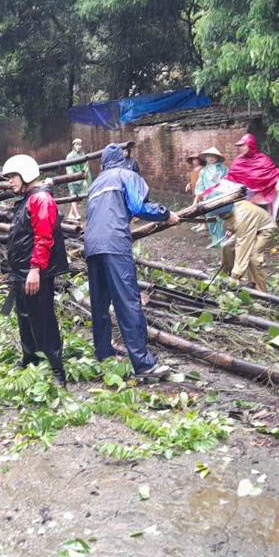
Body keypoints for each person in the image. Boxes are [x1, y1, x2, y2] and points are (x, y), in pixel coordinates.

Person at [84, 144, 179, 380]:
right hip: (115, 243)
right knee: (127, 301)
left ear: (103, 162)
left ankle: (104, 354)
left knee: (100, 303)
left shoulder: (96, 183)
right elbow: (138, 206)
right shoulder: (128, 175)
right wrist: (165, 214)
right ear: (123, 159)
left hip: (92, 245)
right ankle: (144, 364)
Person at [2, 154, 70, 386]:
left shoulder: (41, 199)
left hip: (35, 272)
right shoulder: (26, 198)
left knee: (43, 320)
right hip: (21, 272)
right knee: (24, 318)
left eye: (12, 176)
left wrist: (35, 270)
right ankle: (30, 360)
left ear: (26, 175)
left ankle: (55, 370)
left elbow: (44, 237)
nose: (9, 181)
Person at [218, 192, 277, 293]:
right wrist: (232, 228)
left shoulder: (242, 219)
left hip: (265, 228)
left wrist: (236, 275)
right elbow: (232, 219)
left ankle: (260, 292)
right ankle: (224, 279)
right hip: (249, 225)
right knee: (227, 247)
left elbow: (243, 246)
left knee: (253, 257)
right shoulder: (230, 206)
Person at [229, 134, 279, 221]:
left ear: (250, 145)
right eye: (239, 146)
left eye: (243, 145)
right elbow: (231, 178)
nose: (241, 148)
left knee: (260, 221)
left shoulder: (263, 159)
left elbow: (274, 173)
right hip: (243, 198)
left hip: (261, 198)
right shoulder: (238, 161)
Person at [193, 147, 229, 247]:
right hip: (208, 199)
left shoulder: (224, 169)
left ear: (217, 157)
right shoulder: (203, 172)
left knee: (222, 218)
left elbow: (228, 183)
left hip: (221, 197)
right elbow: (200, 186)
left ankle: (223, 239)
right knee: (210, 219)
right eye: (209, 156)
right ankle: (215, 239)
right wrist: (197, 199)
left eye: (213, 156)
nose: (211, 158)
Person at [64, 138, 92, 221]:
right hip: (72, 179)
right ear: (73, 146)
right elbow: (69, 169)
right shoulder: (70, 156)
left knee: (80, 196)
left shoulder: (82, 155)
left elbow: (86, 167)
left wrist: (84, 179)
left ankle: (70, 214)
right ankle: (76, 214)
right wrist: (73, 178)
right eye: (77, 145)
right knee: (73, 195)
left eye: (80, 144)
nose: (79, 146)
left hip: (82, 178)